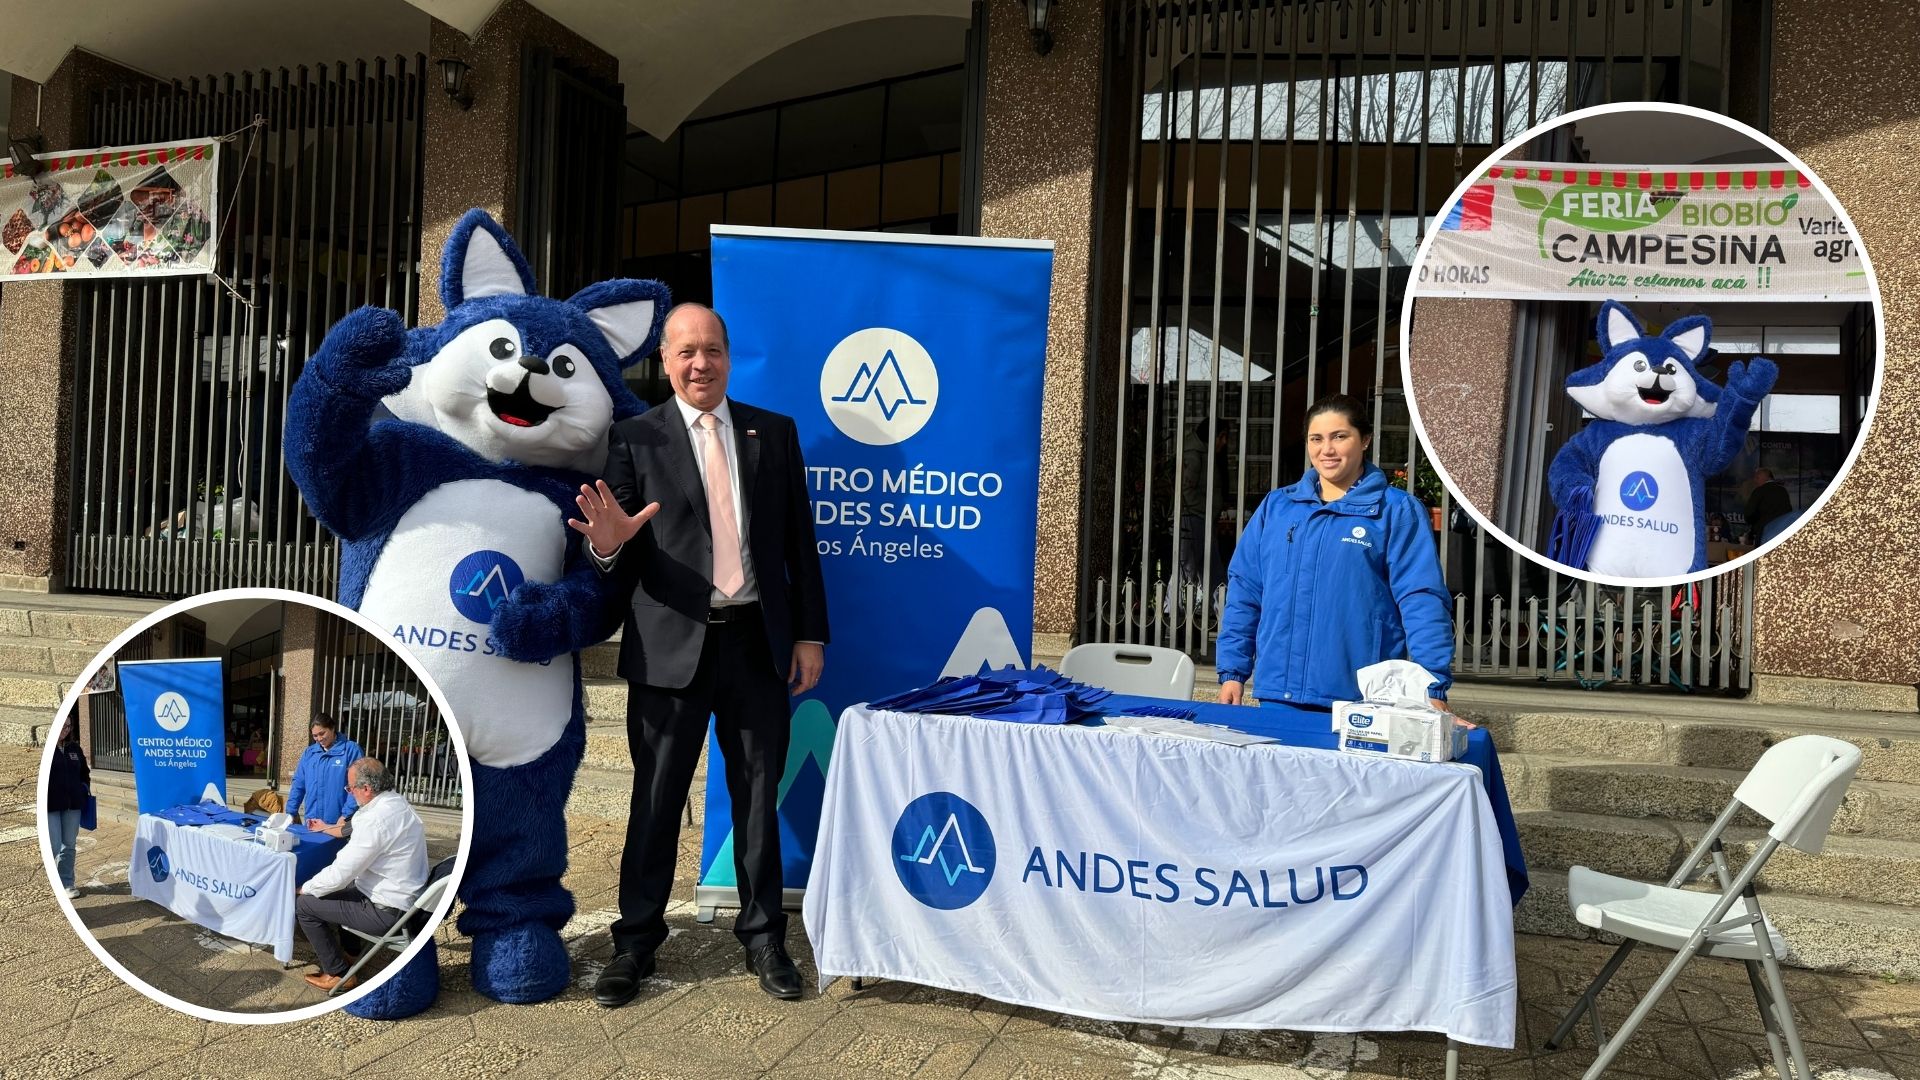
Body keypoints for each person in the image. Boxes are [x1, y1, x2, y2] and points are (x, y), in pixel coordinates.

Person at [570, 302, 829, 1007]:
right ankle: (635, 946)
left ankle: (765, 939)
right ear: (665, 357)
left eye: (712, 349)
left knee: (756, 798)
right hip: (668, 649)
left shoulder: (771, 434)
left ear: (728, 355)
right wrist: (608, 542)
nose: (700, 363)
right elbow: (607, 548)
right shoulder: (635, 438)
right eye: (686, 351)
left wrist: (809, 634)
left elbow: (797, 545)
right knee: (654, 801)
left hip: (755, 643)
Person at [1216, 394, 1455, 713]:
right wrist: (1233, 672)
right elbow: (1246, 591)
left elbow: (1421, 598)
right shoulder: (1278, 508)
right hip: (1279, 695)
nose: (1326, 449)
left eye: (1339, 437)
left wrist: (1432, 685)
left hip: (1364, 700)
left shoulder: (1395, 511)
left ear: (1365, 440)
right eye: (1316, 439)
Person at [294, 758, 427, 992]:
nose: (349, 792)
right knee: (341, 890)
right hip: (405, 900)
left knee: (305, 905)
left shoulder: (375, 819)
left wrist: (304, 888)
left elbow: (341, 873)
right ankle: (352, 953)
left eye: (350, 788)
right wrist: (326, 827)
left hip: (386, 911)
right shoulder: (395, 802)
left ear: (366, 789)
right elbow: (350, 831)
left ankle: (337, 973)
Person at [286, 714, 363, 836]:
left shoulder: (350, 750)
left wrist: (346, 815)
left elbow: (357, 785)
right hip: (312, 820)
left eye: (322, 733)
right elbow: (298, 784)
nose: (319, 739)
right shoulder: (309, 753)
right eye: (315, 736)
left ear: (332, 729)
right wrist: (290, 811)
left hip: (338, 821)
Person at [46, 715, 89, 899]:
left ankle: (66, 883)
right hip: (51, 806)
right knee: (53, 845)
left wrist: (84, 788)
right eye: (61, 725)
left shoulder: (74, 748)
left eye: (68, 726)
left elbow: (84, 772)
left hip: (72, 805)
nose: (65, 729)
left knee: (69, 845)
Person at [1745, 467, 1794, 542]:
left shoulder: (1759, 491)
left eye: (1757, 478)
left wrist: (1752, 524)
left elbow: (1749, 512)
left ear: (1766, 478)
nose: (1755, 480)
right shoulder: (1783, 491)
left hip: (1764, 531)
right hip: (1782, 530)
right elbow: (1788, 510)